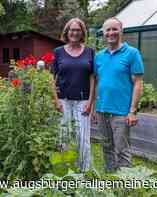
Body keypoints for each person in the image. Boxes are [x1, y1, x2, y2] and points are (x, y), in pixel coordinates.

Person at [94, 17, 144, 172]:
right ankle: (110, 180)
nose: (111, 33)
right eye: (107, 30)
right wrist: (96, 108)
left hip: (121, 112)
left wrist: (132, 111)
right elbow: (98, 82)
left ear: (121, 31)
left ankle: (125, 185)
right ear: (103, 33)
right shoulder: (99, 56)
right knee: (106, 147)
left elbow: (137, 83)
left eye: (114, 29)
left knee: (122, 150)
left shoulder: (132, 53)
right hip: (102, 109)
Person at [51, 18, 95, 172]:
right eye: (72, 30)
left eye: (78, 30)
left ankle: (83, 171)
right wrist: (56, 101)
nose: (74, 33)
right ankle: (62, 170)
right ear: (67, 32)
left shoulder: (89, 51)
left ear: (82, 32)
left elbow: (92, 78)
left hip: (83, 101)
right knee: (62, 136)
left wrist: (91, 102)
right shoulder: (58, 52)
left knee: (83, 138)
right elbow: (53, 78)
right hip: (63, 100)